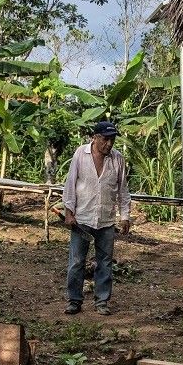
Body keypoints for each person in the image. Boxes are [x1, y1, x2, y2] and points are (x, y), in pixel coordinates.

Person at [61, 120, 132, 315]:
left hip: (106, 219)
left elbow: (123, 190)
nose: (109, 144)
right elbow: (70, 183)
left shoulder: (117, 159)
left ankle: (102, 301)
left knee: (105, 262)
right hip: (82, 219)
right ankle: (74, 300)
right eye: (105, 139)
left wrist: (125, 216)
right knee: (76, 261)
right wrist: (68, 212)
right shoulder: (80, 155)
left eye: (112, 140)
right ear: (95, 137)